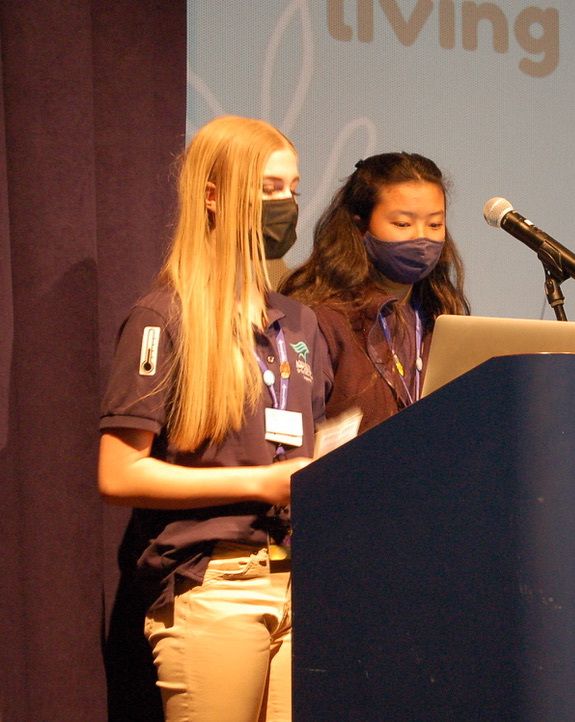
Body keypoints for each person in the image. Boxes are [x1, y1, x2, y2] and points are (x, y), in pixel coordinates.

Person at [98, 115, 330, 721]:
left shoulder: (301, 324)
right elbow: (120, 474)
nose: (286, 205)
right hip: (213, 585)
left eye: (293, 190)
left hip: (298, 585)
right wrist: (259, 483)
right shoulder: (164, 317)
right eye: (269, 189)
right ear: (213, 197)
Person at [280, 152, 469, 435]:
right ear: (359, 227)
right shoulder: (322, 318)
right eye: (403, 224)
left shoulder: (440, 314)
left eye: (434, 224)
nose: (422, 238)